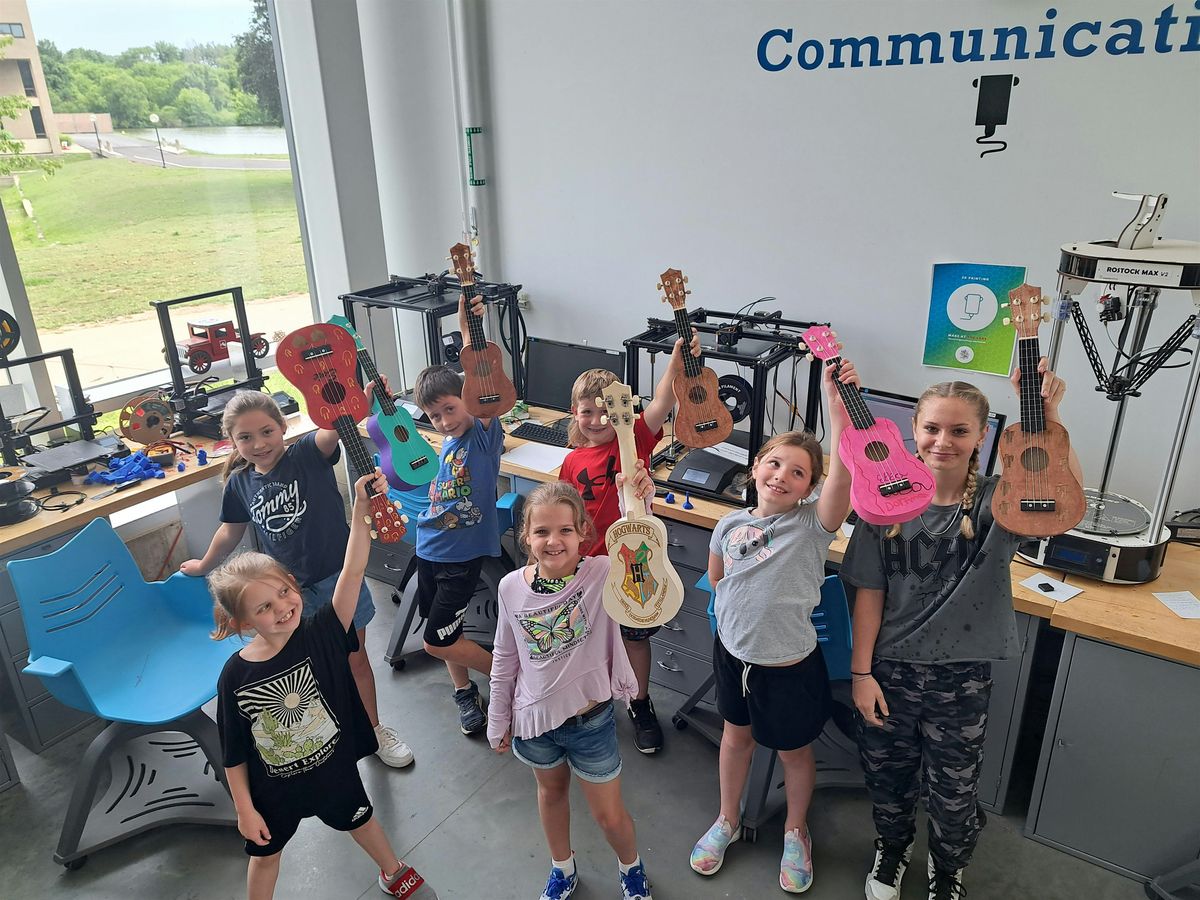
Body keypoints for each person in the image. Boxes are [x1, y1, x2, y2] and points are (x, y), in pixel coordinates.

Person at [842, 360, 1080, 900]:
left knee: (954, 790)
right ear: (913, 431)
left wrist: (1047, 416)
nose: (941, 441)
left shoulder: (1000, 502)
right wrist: (860, 673)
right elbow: (869, 595)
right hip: (890, 670)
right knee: (888, 776)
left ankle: (947, 869)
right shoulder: (884, 502)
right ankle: (893, 848)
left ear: (981, 437)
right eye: (931, 428)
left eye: (959, 430)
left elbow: (1059, 507)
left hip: (960, 678)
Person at [211, 471, 438, 900]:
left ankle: (392, 871)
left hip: (334, 772)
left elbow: (351, 570)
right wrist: (243, 806)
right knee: (264, 856)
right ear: (242, 623)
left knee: (362, 820)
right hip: (272, 789)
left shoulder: (324, 632)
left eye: (284, 592)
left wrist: (360, 509)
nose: (282, 607)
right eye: (264, 606)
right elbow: (234, 751)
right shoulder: (235, 677)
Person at [689, 359, 859, 894]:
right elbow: (718, 580)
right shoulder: (729, 523)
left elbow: (845, 473)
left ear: (810, 487)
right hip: (733, 657)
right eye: (775, 464)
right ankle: (726, 819)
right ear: (756, 465)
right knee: (734, 738)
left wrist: (838, 403)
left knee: (794, 753)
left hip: (788, 667)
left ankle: (794, 831)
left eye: (799, 473)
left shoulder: (811, 526)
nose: (783, 476)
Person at [181, 390, 413, 768]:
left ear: (283, 427)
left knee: (354, 660)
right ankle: (328, 734)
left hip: (341, 581)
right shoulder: (240, 482)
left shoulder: (306, 453)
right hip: (288, 596)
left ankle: (372, 730)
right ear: (232, 441)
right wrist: (204, 564)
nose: (259, 444)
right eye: (245, 437)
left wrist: (358, 397)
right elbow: (230, 531)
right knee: (308, 670)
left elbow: (333, 427)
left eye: (267, 432)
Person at [489, 476, 658, 900]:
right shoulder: (511, 586)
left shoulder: (602, 573)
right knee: (550, 793)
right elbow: (505, 657)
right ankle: (562, 868)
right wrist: (498, 718)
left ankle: (631, 867)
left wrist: (638, 500)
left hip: (591, 722)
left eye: (565, 529)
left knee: (608, 815)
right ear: (526, 536)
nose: (553, 541)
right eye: (541, 531)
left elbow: (644, 556)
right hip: (535, 722)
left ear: (583, 532)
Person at [557, 334, 700, 754]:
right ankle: (593, 702)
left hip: (632, 565)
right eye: (587, 413)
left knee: (635, 638)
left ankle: (640, 703)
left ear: (621, 411)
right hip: (586, 568)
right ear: (574, 413)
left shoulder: (634, 434)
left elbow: (662, 402)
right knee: (585, 638)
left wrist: (675, 361)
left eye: (605, 412)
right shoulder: (570, 459)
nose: (597, 420)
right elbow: (564, 515)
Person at [412, 294, 507, 736]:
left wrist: (468, 325)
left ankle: (510, 680)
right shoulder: (447, 441)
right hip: (429, 549)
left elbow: (477, 372)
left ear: (467, 401)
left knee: (437, 640)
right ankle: (465, 692)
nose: (445, 421)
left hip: (459, 560)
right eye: (434, 416)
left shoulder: (483, 435)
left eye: (450, 409)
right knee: (446, 631)